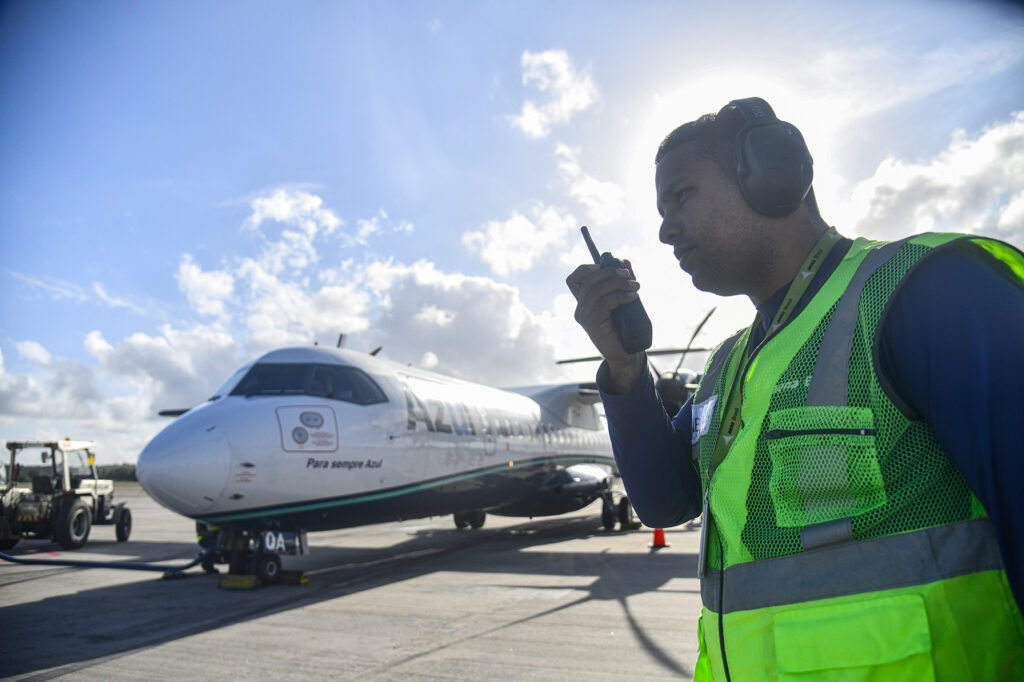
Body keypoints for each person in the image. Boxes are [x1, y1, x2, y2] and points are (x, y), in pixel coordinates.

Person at [566, 97, 1024, 680]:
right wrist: (626, 370)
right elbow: (663, 501)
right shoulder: (731, 363)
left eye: (681, 196)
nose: (664, 229)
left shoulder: (928, 293)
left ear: (772, 174)